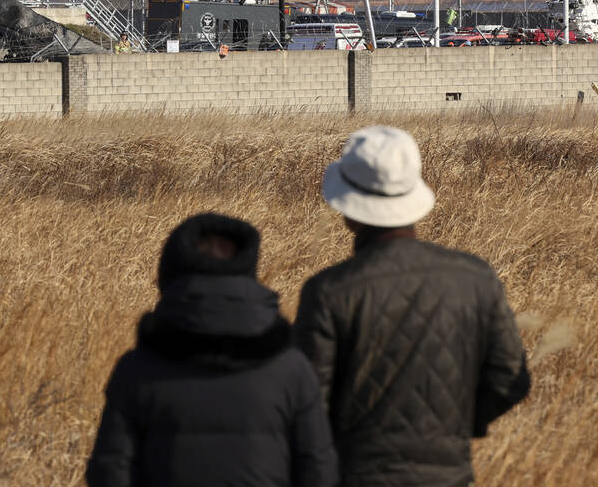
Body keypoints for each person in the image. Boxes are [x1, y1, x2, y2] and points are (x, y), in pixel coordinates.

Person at [295, 126, 530, 487]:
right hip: (450, 475)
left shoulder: (328, 291)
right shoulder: (475, 278)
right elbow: (509, 378)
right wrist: (454, 428)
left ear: (350, 210)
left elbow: (308, 403)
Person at [86, 213, 338, 487]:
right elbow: (319, 472)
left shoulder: (136, 369)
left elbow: (109, 472)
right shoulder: (292, 369)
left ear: (169, 275)